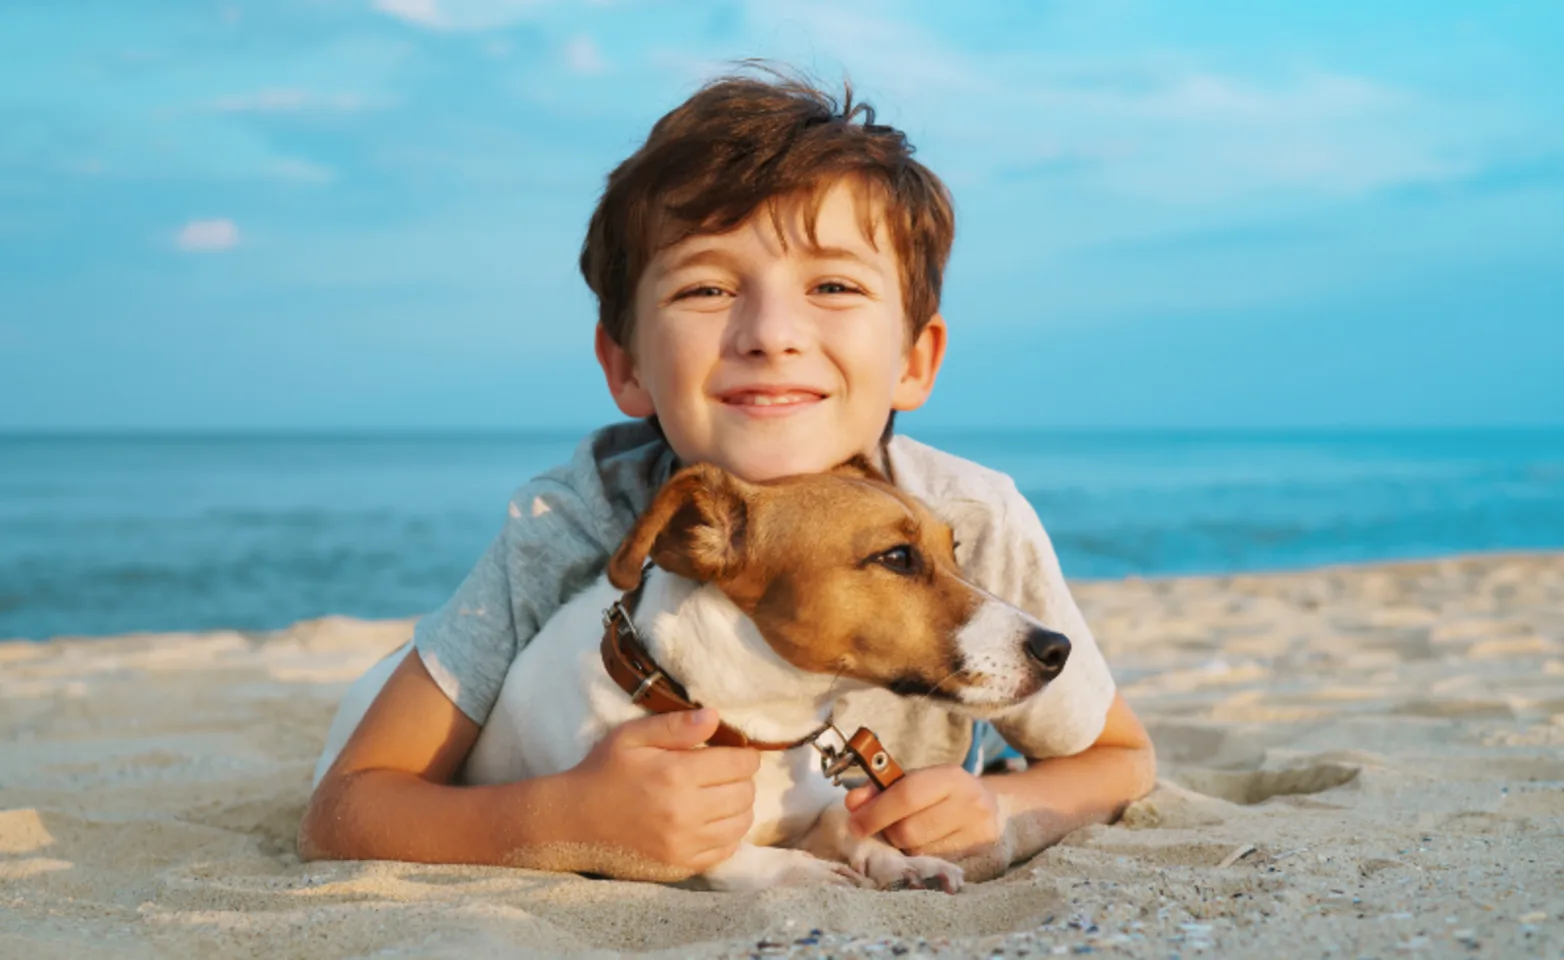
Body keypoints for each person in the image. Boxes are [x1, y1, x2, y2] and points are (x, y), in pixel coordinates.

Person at [298, 66, 1155, 883]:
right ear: (626, 365)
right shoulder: (577, 525)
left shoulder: (968, 518)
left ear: (915, 360)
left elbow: (1119, 759)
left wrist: (1002, 810)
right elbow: (345, 812)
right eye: (707, 291)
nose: (771, 332)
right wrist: (561, 819)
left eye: (831, 285)